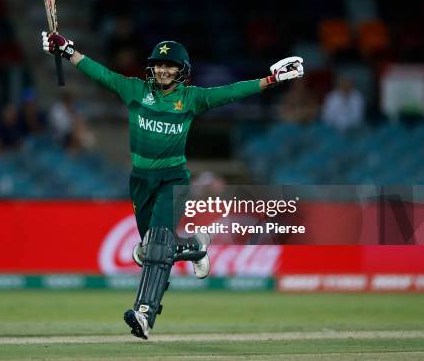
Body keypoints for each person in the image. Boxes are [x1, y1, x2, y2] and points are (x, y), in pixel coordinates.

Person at [42, 31, 304, 339]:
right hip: (140, 182)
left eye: (171, 66)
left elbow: (231, 91)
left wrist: (270, 80)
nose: (164, 70)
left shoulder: (191, 98)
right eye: (159, 65)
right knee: (147, 252)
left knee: (154, 249)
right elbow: (100, 73)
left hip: (173, 181)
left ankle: (144, 314)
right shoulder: (134, 90)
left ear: (182, 70)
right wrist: (68, 50)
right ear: (151, 68)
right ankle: (195, 246)